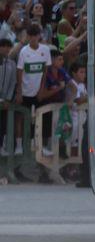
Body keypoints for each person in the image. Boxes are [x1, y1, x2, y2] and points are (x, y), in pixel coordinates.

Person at [14, 25, 50, 155]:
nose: (34, 38)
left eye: (36, 35)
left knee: (39, 117)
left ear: (39, 36)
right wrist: (19, 92)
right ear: (28, 36)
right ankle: (19, 145)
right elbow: (19, 71)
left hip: (37, 92)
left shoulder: (45, 50)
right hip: (25, 91)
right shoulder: (24, 51)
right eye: (31, 35)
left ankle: (37, 144)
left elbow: (45, 71)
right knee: (21, 117)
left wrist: (41, 90)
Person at [0, 39, 16, 156]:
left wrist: (7, 99)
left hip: (5, 99)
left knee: (3, 123)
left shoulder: (11, 63)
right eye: (4, 46)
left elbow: (13, 82)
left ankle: (1, 146)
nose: (6, 49)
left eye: (8, 47)